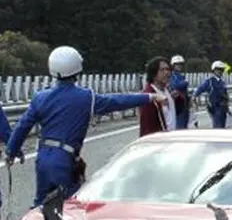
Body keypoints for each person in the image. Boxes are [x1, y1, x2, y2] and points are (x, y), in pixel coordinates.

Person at [5, 45, 165, 207]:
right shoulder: (86, 97)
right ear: (77, 69)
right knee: (70, 207)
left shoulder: (40, 97)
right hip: (65, 158)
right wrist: (149, 97)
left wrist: (11, 151)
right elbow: (117, 101)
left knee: (41, 205)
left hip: (44, 157)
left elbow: (22, 126)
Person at [140, 57, 175, 136]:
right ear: (153, 74)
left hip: (172, 138)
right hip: (158, 142)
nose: (167, 72)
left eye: (168, 69)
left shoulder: (168, 91)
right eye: (162, 70)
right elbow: (147, 127)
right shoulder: (148, 96)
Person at [193, 60, 229, 128]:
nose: (220, 71)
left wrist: (227, 108)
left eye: (221, 70)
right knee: (217, 125)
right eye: (218, 69)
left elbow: (225, 95)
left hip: (223, 107)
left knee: (223, 126)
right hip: (214, 107)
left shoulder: (222, 82)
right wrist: (194, 96)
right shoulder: (209, 81)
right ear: (214, 70)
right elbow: (200, 88)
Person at [168, 54, 190, 129]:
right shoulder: (172, 75)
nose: (179, 66)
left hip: (185, 103)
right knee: (180, 126)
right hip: (178, 104)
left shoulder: (181, 76)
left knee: (185, 125)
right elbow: (175, 85)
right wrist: (185, 83)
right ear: (173, 66)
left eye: (180, 64)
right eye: (177, 65)